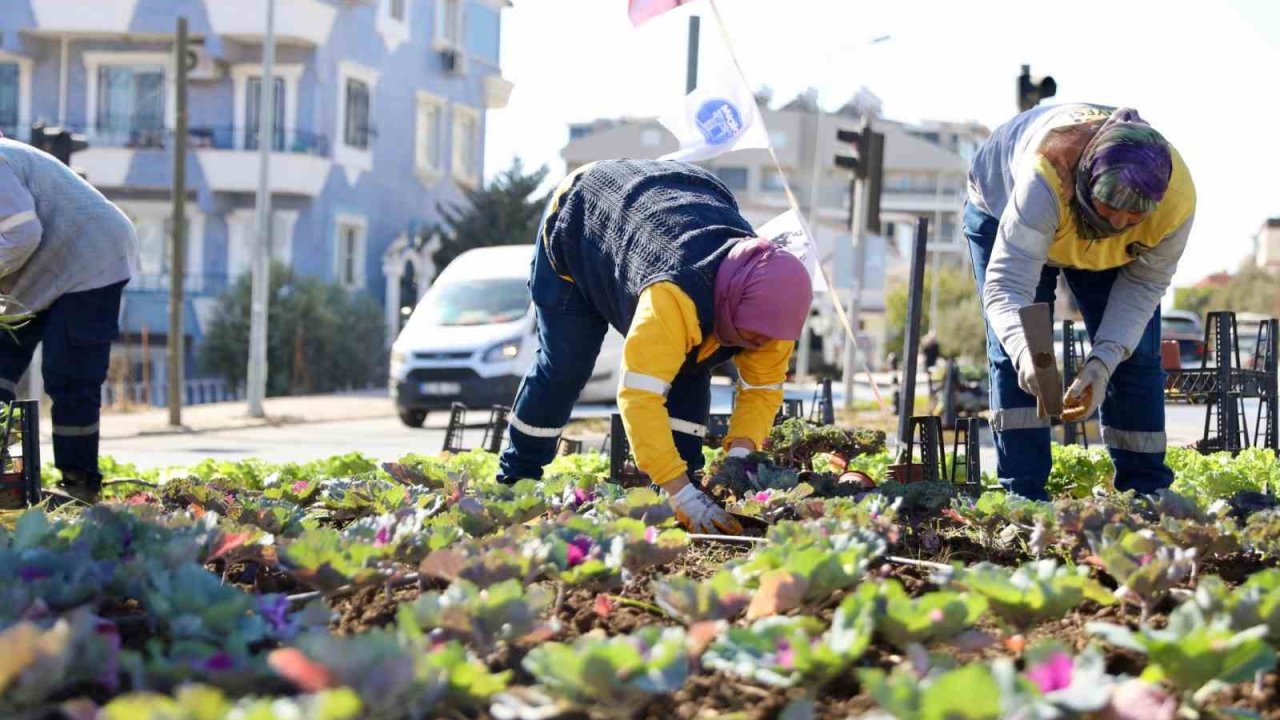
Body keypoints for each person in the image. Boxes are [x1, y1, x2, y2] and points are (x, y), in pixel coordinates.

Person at [497, 159, 813, 532]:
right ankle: (515, 481)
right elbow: (639, 398)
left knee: (691, 366)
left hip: (686, 193)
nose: (759, 345)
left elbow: (761, 391)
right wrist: (681, 494)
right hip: (583, 214)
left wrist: (739, 461)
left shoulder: (774, 310)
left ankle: (677, 490)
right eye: (753, 336)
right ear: (731, 304)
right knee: (566, 366)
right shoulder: (673, 297)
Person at [966, 104, 1194, 500]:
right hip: (1004, 207)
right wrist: (1026, 354)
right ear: (1089, 181)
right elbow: (1006, 287)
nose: (1121, 223)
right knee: (1015, 356)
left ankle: (1146, 490)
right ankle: (1025, 495)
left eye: (1134, 214)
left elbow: (1142, 288)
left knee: (1135, 355)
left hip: (1086, 229)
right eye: (1111, 208)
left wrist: (1102, 363)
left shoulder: (1175, 204)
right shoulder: (1046, 178)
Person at [0, 135, 137, 508]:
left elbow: (22, 232)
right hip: (34, 275)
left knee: (69, 374)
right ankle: (7, 481)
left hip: (89, 259)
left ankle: (80, 484)